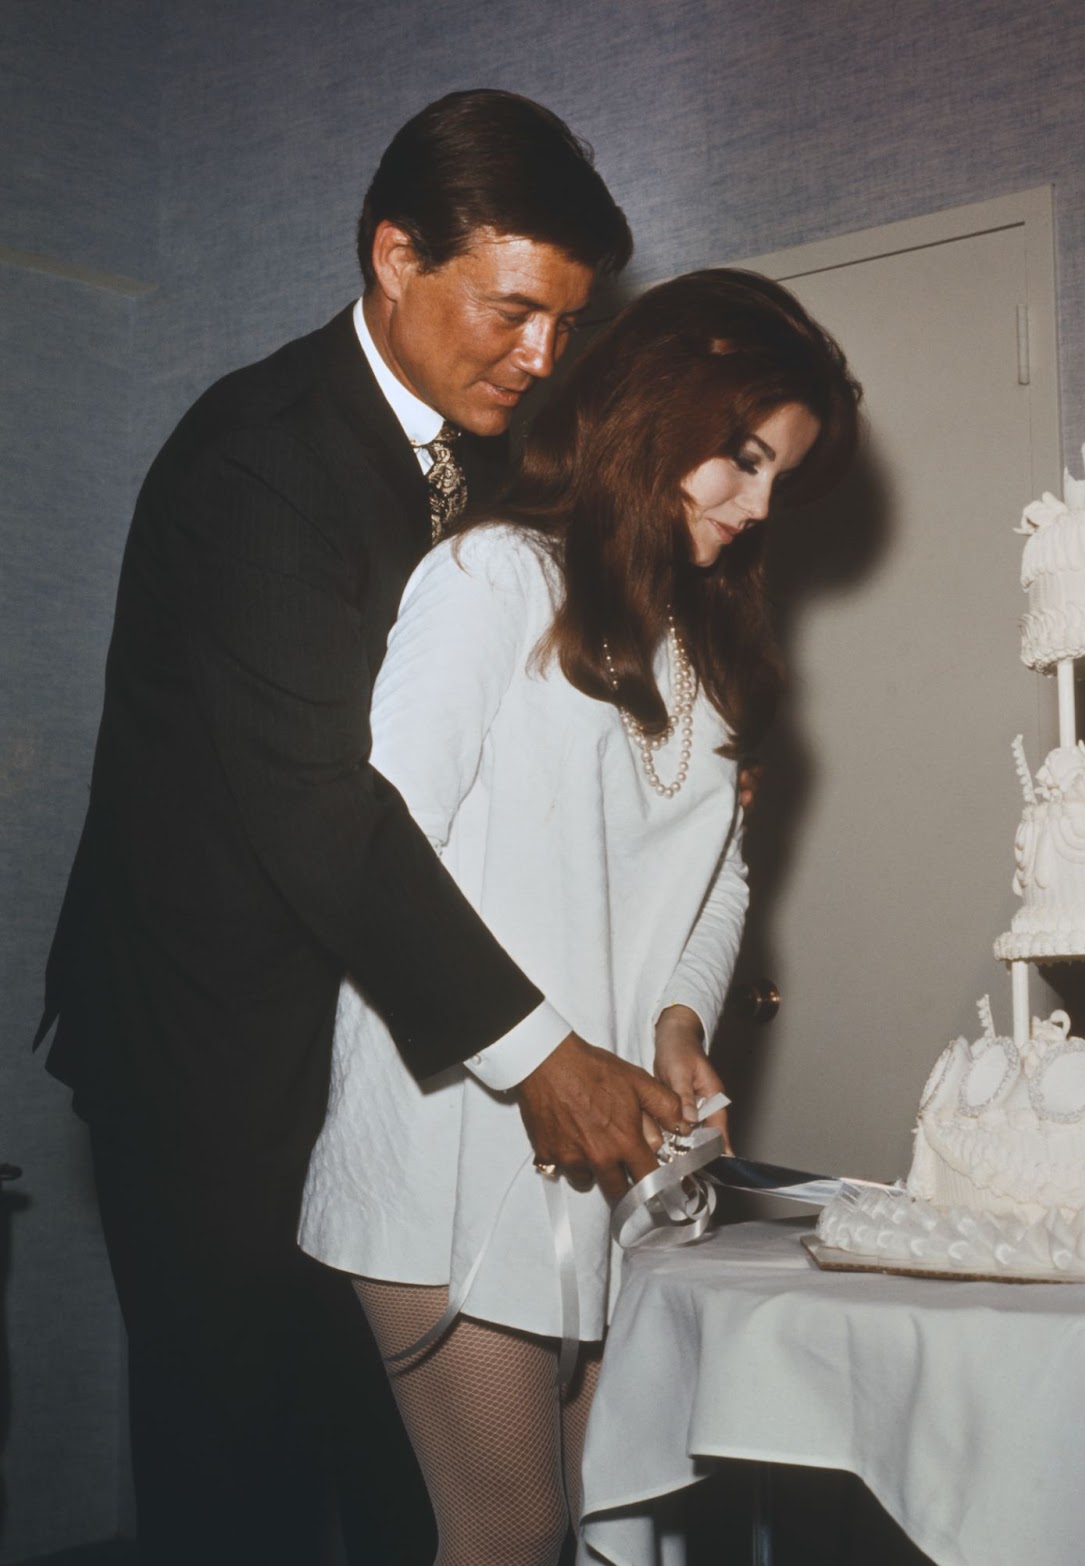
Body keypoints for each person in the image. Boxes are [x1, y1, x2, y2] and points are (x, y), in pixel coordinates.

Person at [33, 90, 680, 1566]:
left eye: (567, 325)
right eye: (515, 311)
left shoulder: (497, 457)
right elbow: (326, 805)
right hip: (211, 1059)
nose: (544, 358)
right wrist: (543, 1053)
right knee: (236, 1486)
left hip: (373, 1043)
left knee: (408, 1483)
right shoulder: (258, 458)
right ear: (396, 254)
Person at [298, 268, 861, 1566]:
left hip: (613, 1149)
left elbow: (722, 870)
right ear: (661, 403)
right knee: (506, 1531)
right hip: (455, 1134)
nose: (760, 503)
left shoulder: (704, 642)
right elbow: (373, 849)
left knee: (608, 1516)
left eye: (780, 477)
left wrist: (676, 1017)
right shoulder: (494, 576)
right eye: (745, 456)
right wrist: (534, 1056)